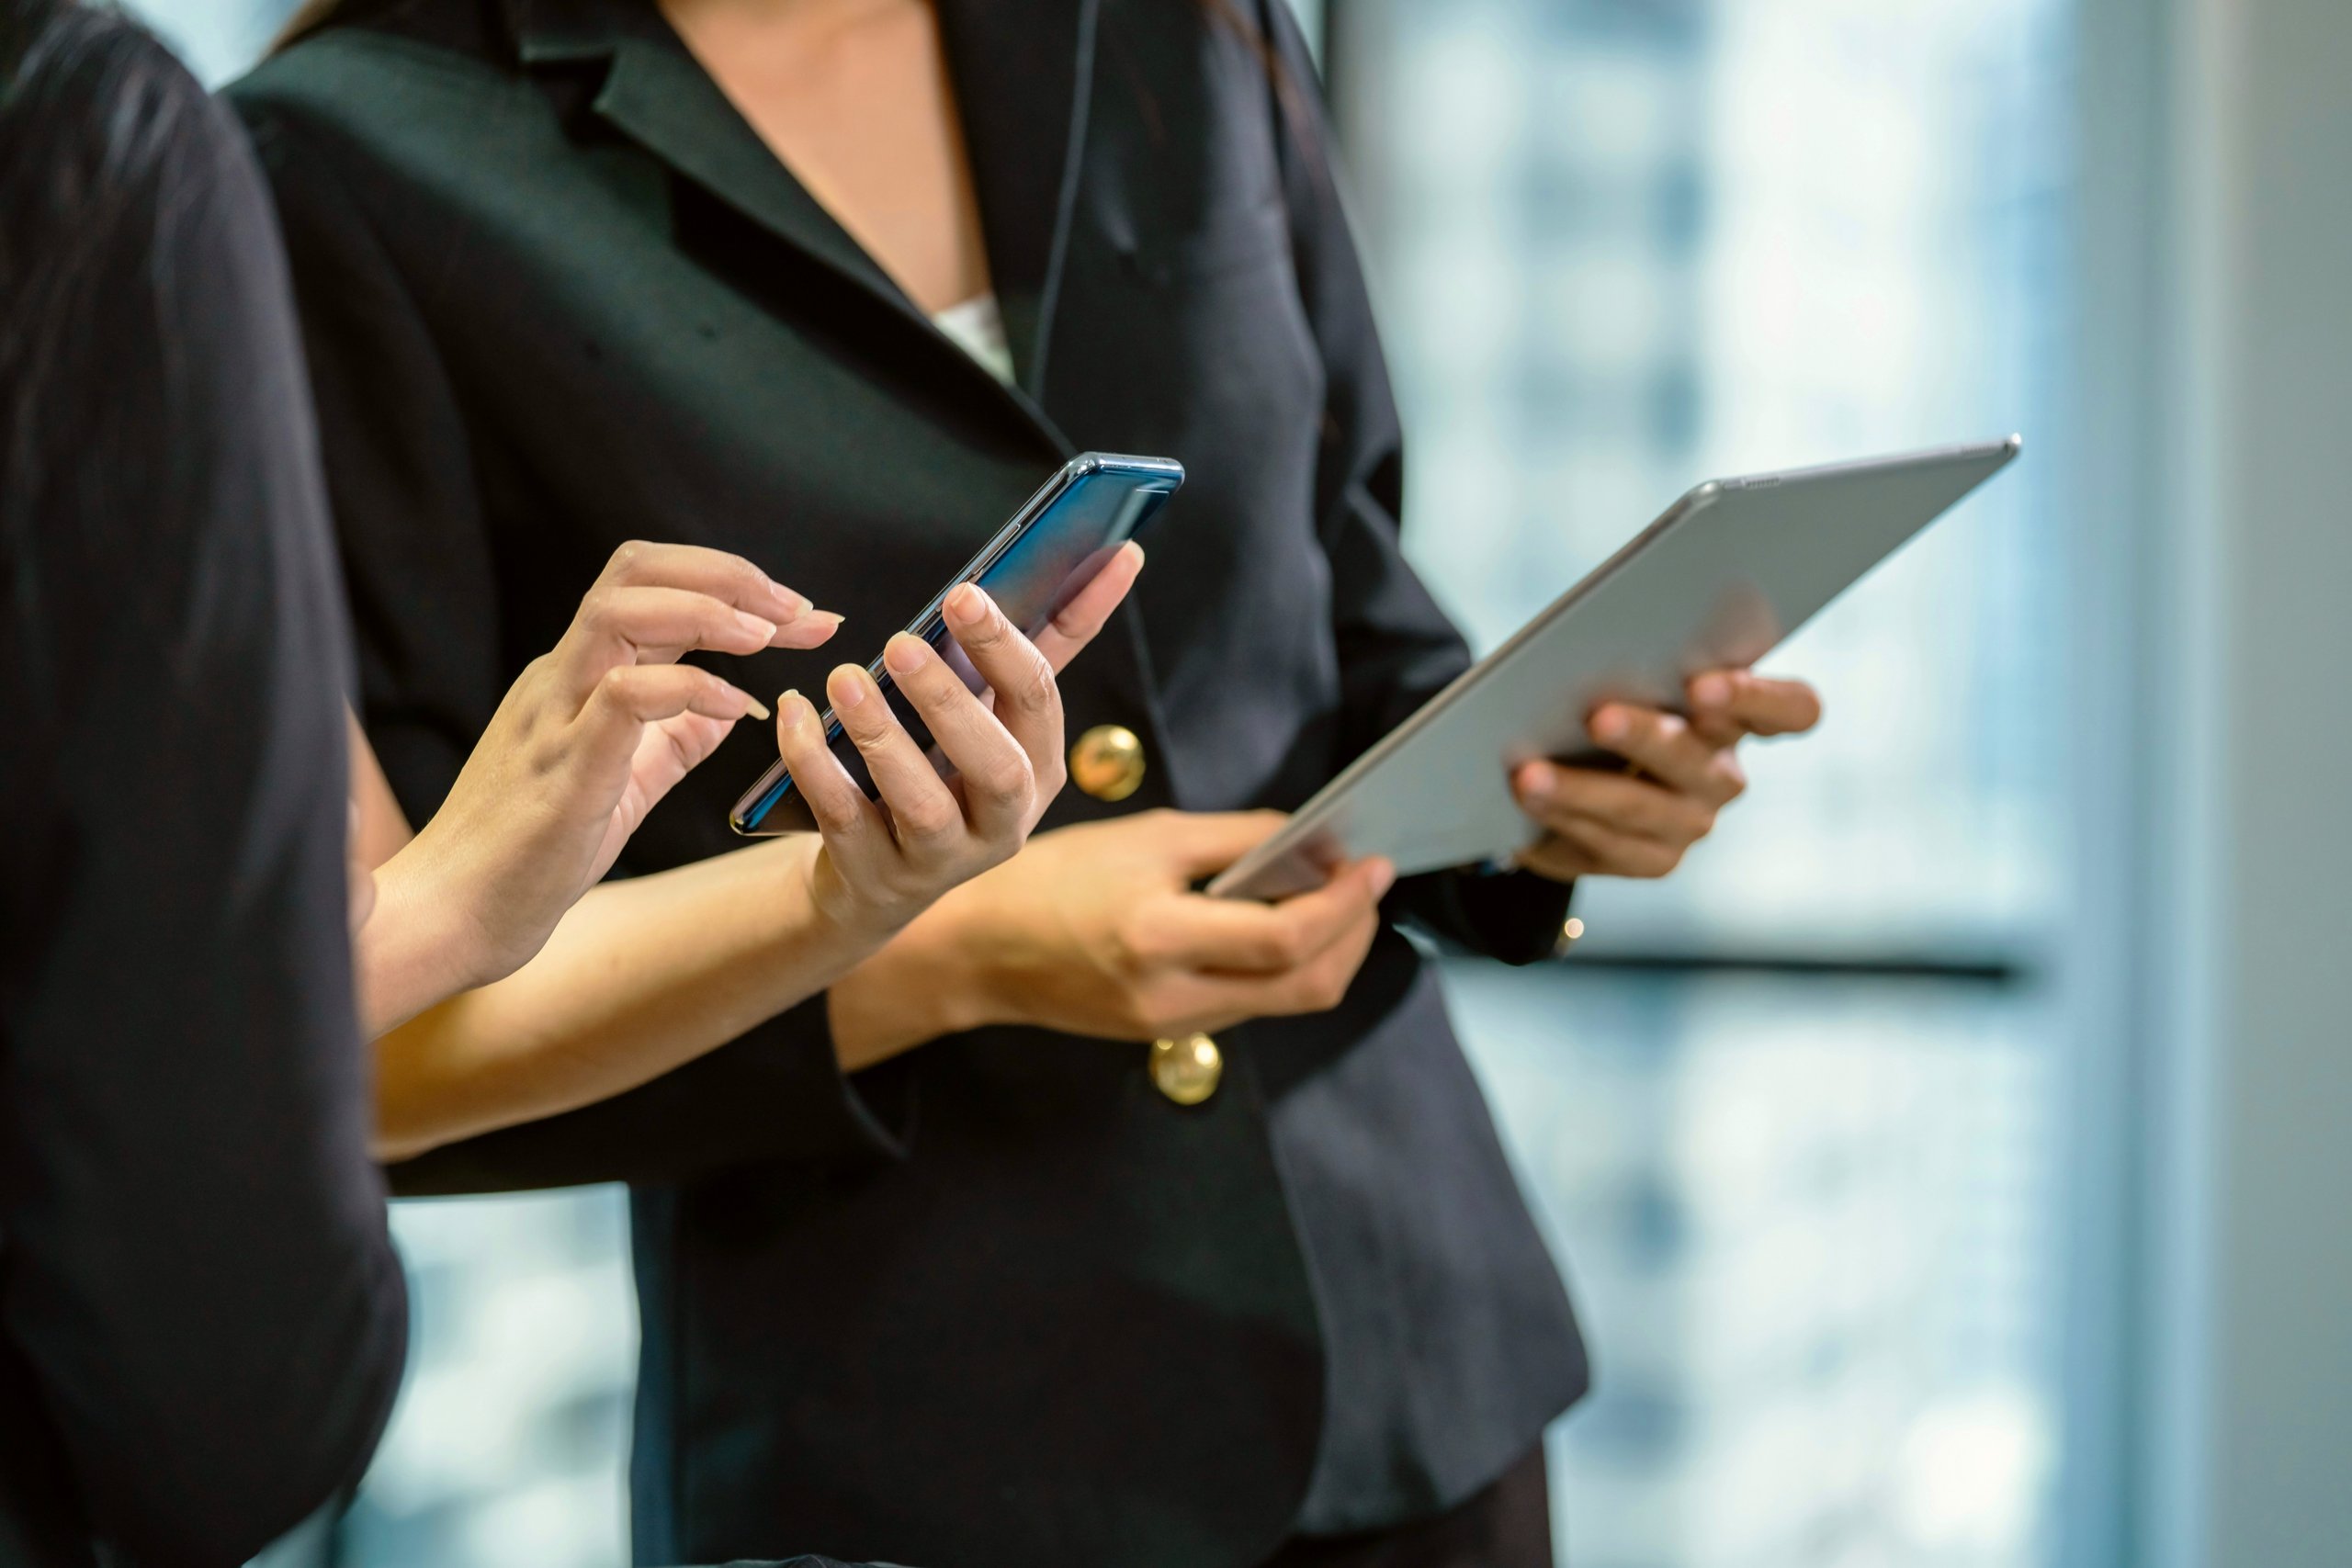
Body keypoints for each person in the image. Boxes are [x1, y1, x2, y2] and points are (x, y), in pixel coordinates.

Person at [233, 2, 1824, 1565]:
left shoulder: (1185, 28)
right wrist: (950, 951)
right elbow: (389, 1028)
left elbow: (1348, 635)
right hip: (910, 1444)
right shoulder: (356, 154)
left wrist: (1546, 807)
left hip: (1408, 1374)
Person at [0, 1, 1130, 1559]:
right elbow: (290, 1068)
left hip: (1404, 1324)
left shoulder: (1167, 35)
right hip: (869, 1394)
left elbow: (320, 960)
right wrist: (930, 938)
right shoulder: (158, 146)